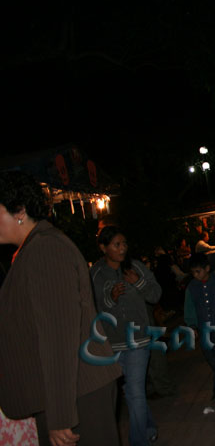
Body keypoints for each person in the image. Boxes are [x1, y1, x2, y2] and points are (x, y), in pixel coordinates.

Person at [0, 171, 121, 446]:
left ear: (19, 211)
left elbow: (58, 337)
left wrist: (60, 416)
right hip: (70, 392)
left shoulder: (45, 249)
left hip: (78, 394)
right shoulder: (33, 249)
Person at [91, 226, 162, 446]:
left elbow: (156, 294)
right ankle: (149, 428)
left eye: (124, 244)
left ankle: (138, 441)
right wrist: (111, 298)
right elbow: (92, 306)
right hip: (112, 344)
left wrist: (138, 283)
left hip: (138, 339)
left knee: (135, 392)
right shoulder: (95, 274)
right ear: (103, 247)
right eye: (116, 244)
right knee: (131, 392)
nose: (122, 248)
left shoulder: (135, 267)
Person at [185, 253, 215, 401]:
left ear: (207, 268)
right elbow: (189, 307)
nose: (195, 275)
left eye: (198, 271)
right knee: (210, 356)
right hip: (203, 327)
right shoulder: (192, 287)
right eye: (193, 272)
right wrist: (192, 325)